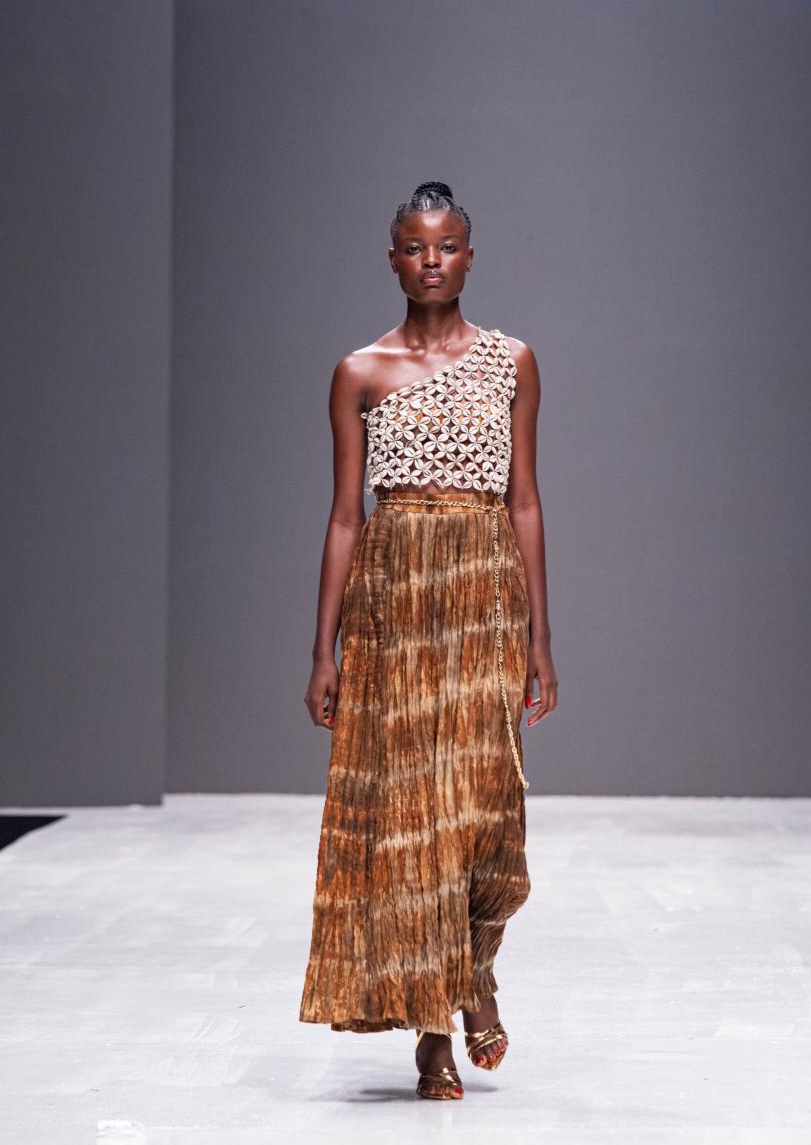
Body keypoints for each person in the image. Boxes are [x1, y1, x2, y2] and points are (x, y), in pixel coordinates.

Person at [299, 180, 557, 1100]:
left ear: (469, 257)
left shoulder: (512, 361)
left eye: (446, 246)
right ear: (394, 260)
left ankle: (474, 973)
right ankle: (431, 1031)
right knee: (411, 816)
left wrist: (539, 636)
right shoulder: (359, 371)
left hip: (483, 594)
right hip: (393, 603)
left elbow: (523, 500)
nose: (431, 260)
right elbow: (344, 515)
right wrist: (323, 649)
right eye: (415, 246)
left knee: (480, 807)